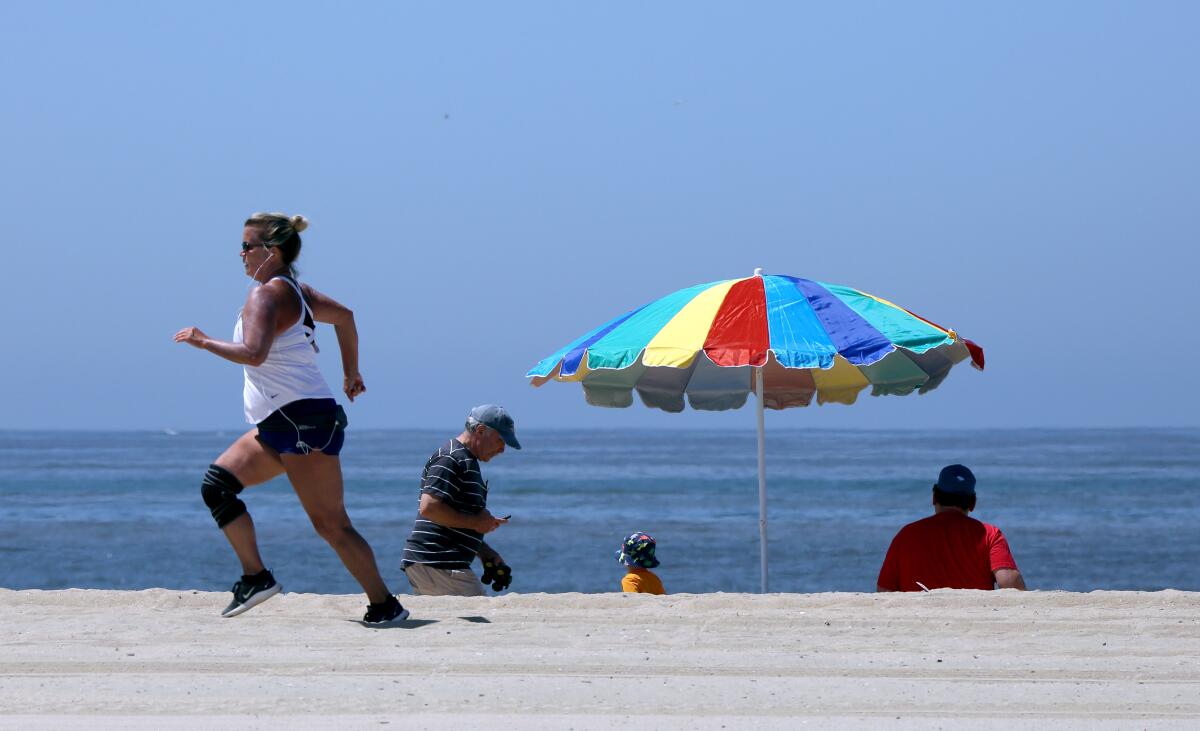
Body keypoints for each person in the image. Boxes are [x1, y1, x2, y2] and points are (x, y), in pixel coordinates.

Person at [175, 212, 409, 625]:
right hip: (283, 423)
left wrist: (204, 341)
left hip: (302, 422)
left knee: (331, 525)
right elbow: (347, 317)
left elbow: (253, 353)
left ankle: (384, 604)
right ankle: (256, 577)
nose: (241, 254)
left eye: (248, 246)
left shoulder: (265, 296)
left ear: (273, 250)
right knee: (218, 486)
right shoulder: (295, 292)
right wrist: (351, 372)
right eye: (242, 246)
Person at [401, 405, 519, 596]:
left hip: (439, 562)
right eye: (500, 440)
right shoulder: (450, 457)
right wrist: (477, 522)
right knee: (483, 619)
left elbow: (451, 516)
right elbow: (430, 508)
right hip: (438, 562)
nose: (502, 449)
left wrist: (483, 551)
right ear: (480, 431)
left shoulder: (465, 460)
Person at [877, 464, 1026, 592]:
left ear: (934, 496)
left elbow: (884, 590)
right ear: (972, 502)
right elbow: (1009, 582)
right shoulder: (990, 534)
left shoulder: (907, 535)